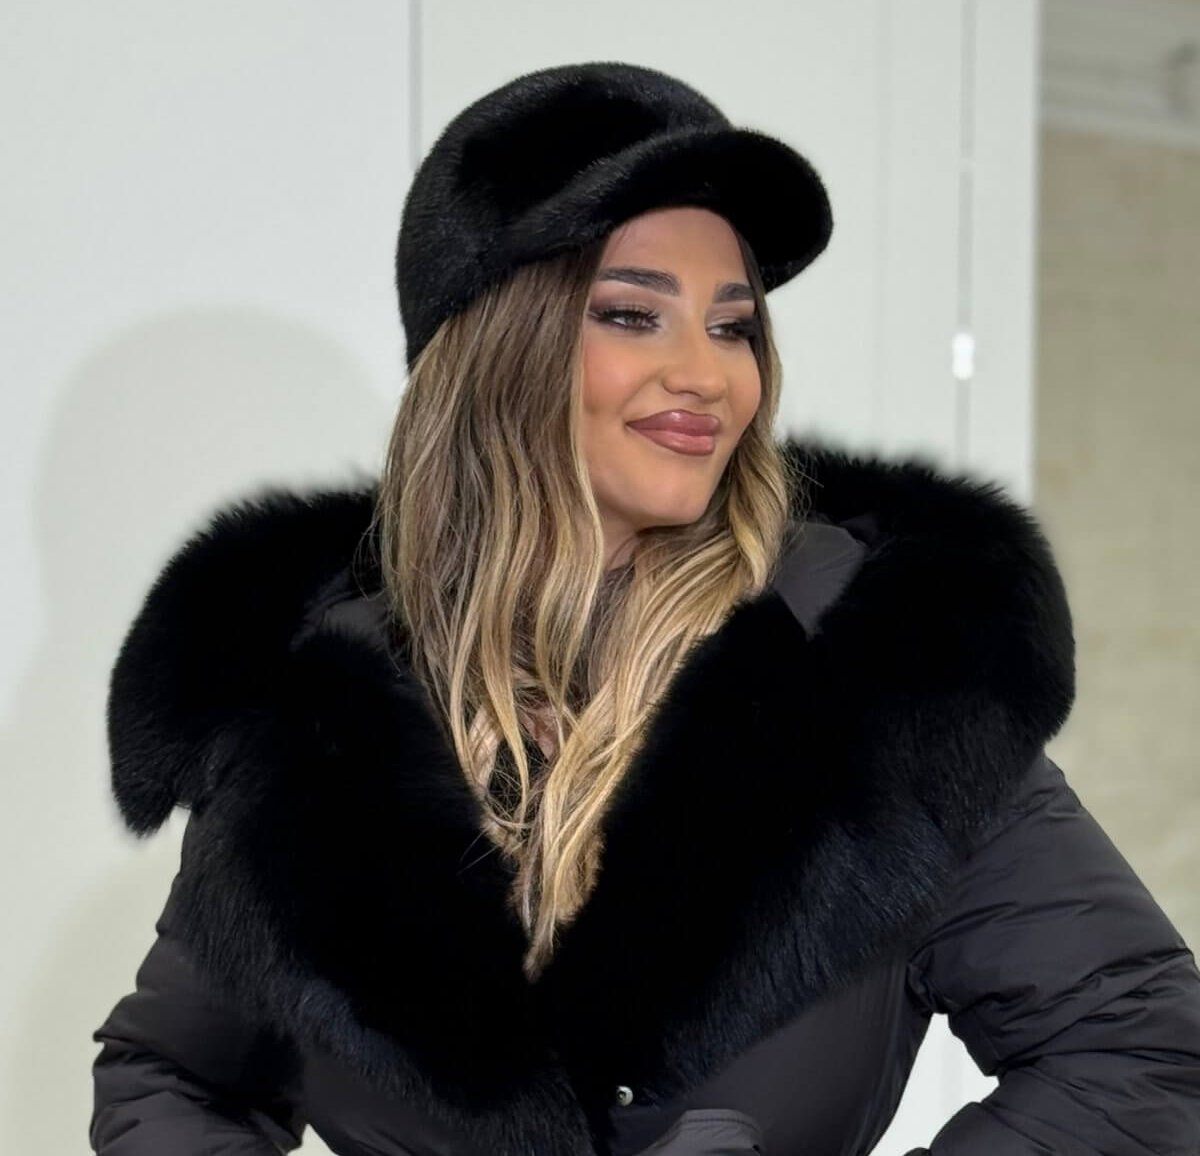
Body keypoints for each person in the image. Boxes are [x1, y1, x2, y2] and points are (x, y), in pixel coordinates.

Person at [89, 61, 1200, 1156]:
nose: (709, 375)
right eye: (633, 315)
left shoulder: (882, 676)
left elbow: (1138, 1049)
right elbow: (171, 1078)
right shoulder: (307, 715)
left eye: (733, 327)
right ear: (497, 351)